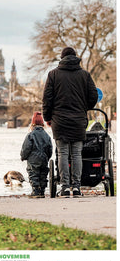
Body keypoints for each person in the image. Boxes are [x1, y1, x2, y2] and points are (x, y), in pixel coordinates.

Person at [42, 47, 98, 197]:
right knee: (77, 154)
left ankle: (65, 187)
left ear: (62, 58)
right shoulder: (84, 75)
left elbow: (47, 99)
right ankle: (77, 188)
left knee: (63, 153)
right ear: (75, 57)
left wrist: (47, 117)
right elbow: (93, 96)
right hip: (79, 119)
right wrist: (84, 108)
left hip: (59, 120)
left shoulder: (53, 75)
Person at [20, 111, 53, 198]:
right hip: (44, 158)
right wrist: (47, 157)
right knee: (43, 174)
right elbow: (50, 148)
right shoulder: (47, 135)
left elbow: (26, 148)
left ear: (33, 124)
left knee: (33, 173)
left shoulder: (30, 135)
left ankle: (35, 191)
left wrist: (23, 157)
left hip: (33, 159)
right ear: (42, 124)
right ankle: (42, 191)